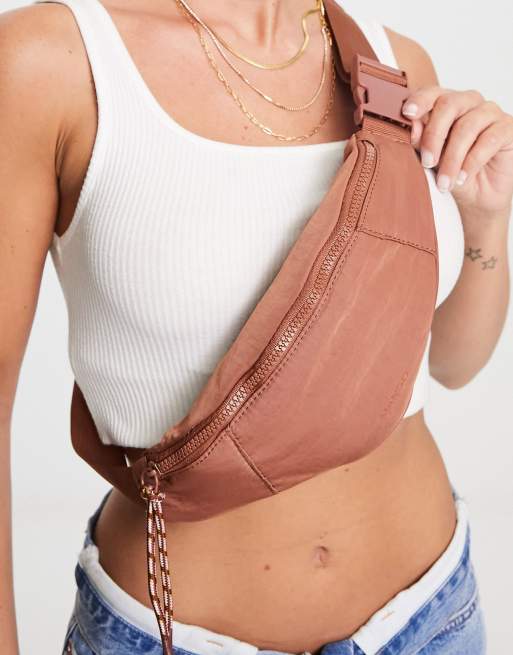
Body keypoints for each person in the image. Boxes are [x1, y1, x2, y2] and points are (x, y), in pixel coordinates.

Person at [0, 0, 511, 653]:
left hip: (431, 617)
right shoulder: (53, 62)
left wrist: (486, 217)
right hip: (169, 635)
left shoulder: (393, 63)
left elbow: (453, 363)